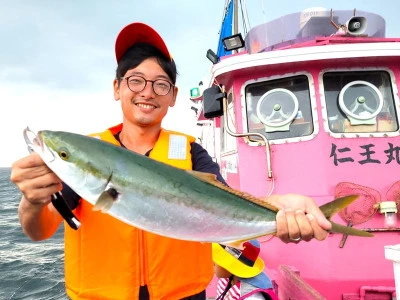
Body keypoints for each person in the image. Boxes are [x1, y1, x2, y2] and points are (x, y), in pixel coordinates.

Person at [10, 21, 332, 300]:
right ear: (117, 88)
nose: (147, 92)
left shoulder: (192, 153)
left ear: (173, 96)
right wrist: (32, 201)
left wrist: (279, 209)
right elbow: (37, 230)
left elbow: (226, 204)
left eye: (160, 84)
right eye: (135, 80)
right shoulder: (88, 156)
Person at [212, 239, 278, 300]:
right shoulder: (227, 278)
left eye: (216, 261)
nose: (211, 262)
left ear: (232, 266)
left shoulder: (252, 297)